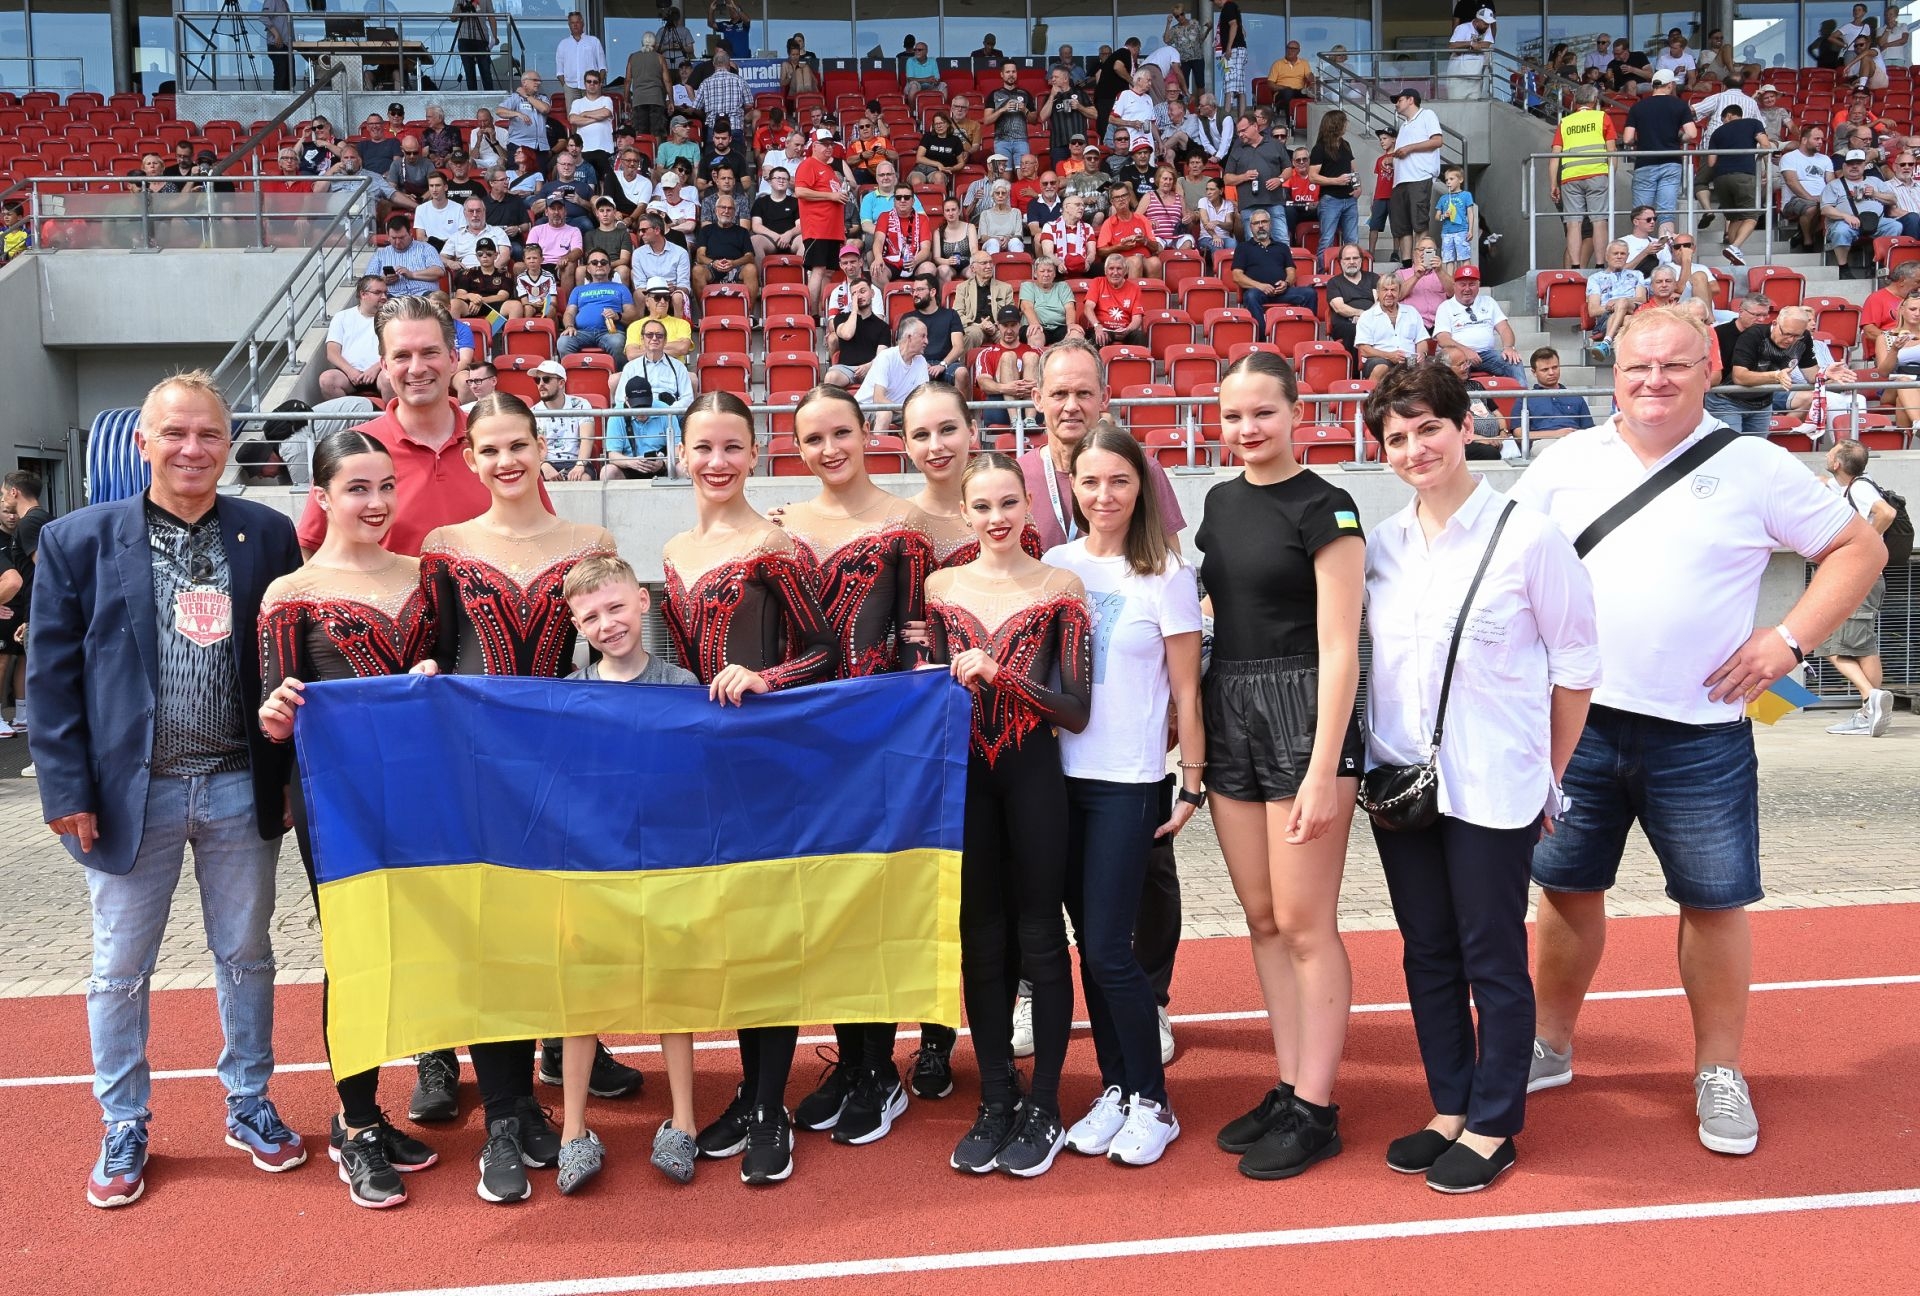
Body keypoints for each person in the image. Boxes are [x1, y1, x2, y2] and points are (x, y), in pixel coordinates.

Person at [1511, 306, 1886, 1160]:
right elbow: (1508, 565)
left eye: (1674, 365)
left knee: (1713, 904)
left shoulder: (1756, 464)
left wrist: (1788, 642)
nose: (1654, 381)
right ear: (1614, 374)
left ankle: (1719, 1069)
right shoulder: (1565, 462)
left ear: (1708, 369)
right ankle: (1549, 1044)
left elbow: (1859, 549)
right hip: (1577, 724)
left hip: (1702, 732)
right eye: (1638, 367)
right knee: (1565, 891)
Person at [30, 372, 304, 1209]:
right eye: (175, 434)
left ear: (230, 444)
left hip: (237, 785)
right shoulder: (76, 540)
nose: (193, 449)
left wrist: (291, 777)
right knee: (119, 968)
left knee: (247, 955)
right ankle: (123, 1121)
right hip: (129, 793)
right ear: (142, 442)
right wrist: (66, 789)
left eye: (209, 434)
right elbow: (51, 679)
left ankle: (249, 1100)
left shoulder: (268, 534)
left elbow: (290, 659)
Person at [1359, 359, 1598, 1194]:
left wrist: (1549, 778)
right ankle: (1450, 1105)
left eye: (1430, 428)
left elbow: (1577, 669)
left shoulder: (1529, 538)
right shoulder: (1380, 548)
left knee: (1491, 954)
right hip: (1403, 782)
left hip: (1496, 783)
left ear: (1467, 427)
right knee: (1426, 951)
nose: (1415, 449)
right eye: (1397, 437)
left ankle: (1495, 1121)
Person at [416, 392, 618, 1201]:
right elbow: (435, 648)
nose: (506, 461)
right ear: (471, 458)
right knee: (492, 938)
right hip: (477, 770)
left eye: (518, 446)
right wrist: (426, 674)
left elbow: (609, 644)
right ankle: (504, 1114)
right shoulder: (446, 546)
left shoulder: (590, 542)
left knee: (558, 934)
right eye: (490, 449)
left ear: (542, 449)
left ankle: (544, 1099)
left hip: (566, 767)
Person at [257, 431, 443, 1210]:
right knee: (358, 950)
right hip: (338, 803)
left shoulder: (426, 578)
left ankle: (411, 1089)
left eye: (385, 486)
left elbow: (459, 675)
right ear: (322, 498)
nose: (375, 502)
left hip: (427, 792)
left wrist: (437, 675)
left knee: (427, 942)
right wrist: (273, 716)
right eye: (357, 488)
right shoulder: (290, 592)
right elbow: (274, 707)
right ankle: (358, 1121)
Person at [1197, 351, 1365, 1180]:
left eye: (1263, 412)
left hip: (1304, 715)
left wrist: (1324, 767)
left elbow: (1342, 648)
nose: (1247, 428)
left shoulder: (1329, 507)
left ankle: (1318, 1109)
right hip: (1231, 707)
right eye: (1233, 415)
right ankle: (1291, 1083)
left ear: (1297, 412)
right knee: (1261, 919)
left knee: (1304, 924)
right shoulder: (1218, 503)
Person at [662, 391, 836, 1185]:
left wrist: (766, 678)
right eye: (703, 447)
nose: (717, 462)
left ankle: (771, 1107)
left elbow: (824, 652)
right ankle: (749, 1090)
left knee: (770, 937)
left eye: (732, 446)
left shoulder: (777, 546)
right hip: (706, 771)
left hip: (772, 764)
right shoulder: (673, 551)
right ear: (681, 454)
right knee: (730, 938)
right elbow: (679, 668)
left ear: (755, 454)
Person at [773, 386, 934, 1146]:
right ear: (797, 448)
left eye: (840, 432)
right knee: (829, 908)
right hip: (807, 742)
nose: (829, 449)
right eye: (813, 439)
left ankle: (881, 1069)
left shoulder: (903, 525)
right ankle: (852, 1059)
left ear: (866, 432)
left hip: (879, 739)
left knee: (874, 905)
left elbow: (915, 636)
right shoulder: (783, 527)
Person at [922, 452, 1090, 1177]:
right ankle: (996, 1095)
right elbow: (931, 691)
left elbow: (1076, 710)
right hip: (966, 785)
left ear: (1027, 506)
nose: (996, 518)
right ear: (964, 513)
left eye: (1008, 504)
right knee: (979, 941)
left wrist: (1000, 673)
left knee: (1041, 939)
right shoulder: (941, 587)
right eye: (982, 506)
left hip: (1033, 780)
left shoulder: (1059, 587)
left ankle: (1045, 1103)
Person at [1042, 424, 1203, 1168]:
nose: (1103, 496)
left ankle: (1153, 1101)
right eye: (1090, 482)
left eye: (1119, 481)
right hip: (1058, 781)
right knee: (1089, 947)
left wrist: (1192, 781)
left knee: (1110, 948)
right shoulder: (1056, 566)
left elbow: (1186, 691)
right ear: (1072, 488)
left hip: (1128, 783)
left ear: (1142, 489)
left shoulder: (1167, 572)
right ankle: (1116, 1087)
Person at [552, 555, 701, 1184]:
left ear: (643, 601)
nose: (607, 624)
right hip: (593, 868)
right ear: (576, 625)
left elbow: (697, 775)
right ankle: (573, 1128)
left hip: (665, 864)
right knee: (583, 994)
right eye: (591, 617)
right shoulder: (569, 692)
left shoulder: (682, 684)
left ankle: (684, 1121)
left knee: (671, 989)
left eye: (616, 607)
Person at [1818, 440, 1901, 737]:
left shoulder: (1860, 489)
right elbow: (1823, 483)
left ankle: (1870, 697)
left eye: (1831, 452)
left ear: (1838, 463)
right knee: (1865, 647)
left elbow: (1886, 513)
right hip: (1865, 578)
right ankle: (1871, 713)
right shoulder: (1847, 487)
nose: (1826, 454)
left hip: (1856, 578)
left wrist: (1866, 544)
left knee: (1828, 643)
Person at [603, 318, 694, 479]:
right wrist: (631, 462)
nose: (654, 339)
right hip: (634, 426)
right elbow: (620, 399)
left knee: (683, 465)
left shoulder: (678, 367)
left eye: (659, 335)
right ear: (642, 339)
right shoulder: (631, 367)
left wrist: (665, 412)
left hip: (669, 413)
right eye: (649, 335)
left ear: (665, 340)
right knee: (607, 471)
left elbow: (688, 399)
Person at [1622, 70, 1697, 236]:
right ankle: (1666, 247)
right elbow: (1692, 133)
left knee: (1642, 213)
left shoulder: (1638, 107)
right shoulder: (1679, 105)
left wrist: (1638, 142)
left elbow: (1627, 138)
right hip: (1671, 162)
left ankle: (1641, 249)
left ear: (1653, 85)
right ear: (1670, 85)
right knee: (1666, 213)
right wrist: (1680, 138)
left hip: (1645, 163)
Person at [1705, 106, 1772, 267]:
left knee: (1733, 218)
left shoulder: (1717, 132)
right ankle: (1734, 247)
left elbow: (1711, 162)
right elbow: (1766, 145)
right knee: (1751, 216)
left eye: (1722, 120)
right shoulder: (1753, 123)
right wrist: (1760, 161)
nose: (1723, 123)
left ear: (1728, 115)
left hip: (1720, 178)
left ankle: (1734, 257)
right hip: (1744, 175)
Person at [1433, 267, 1526, 381]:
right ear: (1454, 285)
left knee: (1513, 360)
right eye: (1463, 284)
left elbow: (1504, 329)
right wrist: (1466, 351)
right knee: (1447, 367)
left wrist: (1509, 348)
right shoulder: (1445, 307)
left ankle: (1522, 393)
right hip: (1458, 355)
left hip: (1486, 355)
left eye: (1472, 284)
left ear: (1478, 285)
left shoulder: (1489, 302)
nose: (1467, 289)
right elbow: (1443, 339)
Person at [1388, 90, 1446, 264]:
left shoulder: (1427, 115)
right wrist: (1391, 159)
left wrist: (1409, 148)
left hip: (1419, 177)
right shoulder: (1404, 125)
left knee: (1419, 224)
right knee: (1402, 226)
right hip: (1400, 181)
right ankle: (1407, 265)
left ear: (1410, 100)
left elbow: (1437, 141)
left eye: (1399, 100)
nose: (1396, 104)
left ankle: (1424, 264)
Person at [795, 130, 850, 315]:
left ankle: (824, 312)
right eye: (824, 144)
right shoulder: (808, 164)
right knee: (818, 269)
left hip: (832, 230)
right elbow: (800, 191)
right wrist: (831, 196)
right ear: (814, 145)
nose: (829, 147)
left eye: (831, 144)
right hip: (817, 227)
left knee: (828, 272)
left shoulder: (829, 169)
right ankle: (812, 314)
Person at [322, 277, 395, 402]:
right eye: (378, 292)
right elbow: (332, 353)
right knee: (327, 379)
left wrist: (377, 367)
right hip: (348, 374)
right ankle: (347, 415)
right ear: (363, 294)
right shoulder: (342, 317)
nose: (384, 297)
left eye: (385, 293)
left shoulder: (392, 318)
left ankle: (389, 414)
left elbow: (397, 350)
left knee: (389, 378)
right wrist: (350, 371)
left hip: (380, 371)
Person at [856, 317, 932, 434]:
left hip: (898, 410)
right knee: (885, 413)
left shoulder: (921, 361)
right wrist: (908, 410)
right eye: (923, 336)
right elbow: (878, 399)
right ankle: (880, 446)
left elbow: (923, 397)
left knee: (926, 417)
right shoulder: (886, 357)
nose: (927, 341)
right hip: (866, 408)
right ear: (909, 337)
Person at [559, 250, 635, 363]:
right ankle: (573, 372)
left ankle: (619, 373)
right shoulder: (578, 290)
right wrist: (569, 326)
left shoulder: (621, 288)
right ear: (588, 269)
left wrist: (618, 316)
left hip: (610, 333)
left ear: (609, 267)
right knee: (563, 342)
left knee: (617, 342)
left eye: (603, 262)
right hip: (581, 333)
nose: (599, 265)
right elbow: (569, 312)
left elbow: (632, 315)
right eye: (594, 262)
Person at [1355, 273, 1431, 380]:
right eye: (1385, 290)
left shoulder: (1411, 312)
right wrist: (1389, 355)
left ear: (1399, 293)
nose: (1389, 294)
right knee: (1381, 367)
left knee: (1434, 368)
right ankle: (1373, 392)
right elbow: (1364, 350)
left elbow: (1421, 340)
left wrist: (1421, 354)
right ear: (1378, 293)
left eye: (1393, 290)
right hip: (1380, 358)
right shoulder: (1367, 316)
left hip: (1409, 360)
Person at [1585, 240, 1648, 358]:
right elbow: (1593, 310)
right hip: (1608, 318)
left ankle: (1606, 343)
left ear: (1627, 256)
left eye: (1623, 254)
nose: (1619, 256)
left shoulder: (1637, 275)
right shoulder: (1595, 278)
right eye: (1615, 253)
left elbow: (1641, 299)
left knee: (1623, 302)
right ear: (1607, 256)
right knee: (1627, 319)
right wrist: (1616, 307)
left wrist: (1619, 302)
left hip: (1633, 310)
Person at [1518, 348, 1592, 442]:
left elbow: (1589, 430)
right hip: (1544, 442)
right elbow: (1519, 435)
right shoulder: (1525, 399)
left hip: (1575, 441)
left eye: (1555, 367)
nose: (1551, 373)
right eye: (1545, 370)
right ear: (1534, 372)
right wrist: (1555, 434)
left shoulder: (1575, 397)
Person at [1323, 244, 1378, 357]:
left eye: (1355, 258)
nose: (1352, 262)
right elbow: (1339, 308)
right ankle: (1354, 367)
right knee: (1353, 329)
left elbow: (1380, 302)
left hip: (1374, 319)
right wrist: (1360, 314)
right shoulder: (1334, 282)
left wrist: (1365, 317)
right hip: (1346, 322)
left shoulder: (1373, 278)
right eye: (1347, 259)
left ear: (1361, 260)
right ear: (1340, 262)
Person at [986, 62, 1037, 169]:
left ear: (1017, 74)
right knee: (1004, 175)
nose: (1011, 74)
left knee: (1024, 173)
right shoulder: (994, 94)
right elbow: (987, 121)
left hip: (1021, 140)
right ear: (1002, 74)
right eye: (1008, 72)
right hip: (1001, 141)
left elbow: (1034, 120)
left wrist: (1025, 110)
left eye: (1013, 72)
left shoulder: (1025, 93)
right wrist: (1003, 109)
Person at [1433, 165, 1478, 273]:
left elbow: (1470, 213)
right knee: (1449, 259)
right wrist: (1444, 215)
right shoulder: (1443, 198)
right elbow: (1437, 217)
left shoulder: (1466, 195)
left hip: (1461, 231)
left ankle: (1466, 277)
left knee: (1464, 257)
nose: (1448, 182)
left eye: (1451, 179)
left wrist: (1470, 230)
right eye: (1446, 180)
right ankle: (1450, 280)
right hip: (1447, 233)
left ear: (1460, 180)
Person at [554, 10, 607, 92]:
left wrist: (598, 84)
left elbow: (602, 67)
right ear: (569, 25)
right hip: (570, 87)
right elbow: (559, 71)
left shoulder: (594, 41)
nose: (575, 25)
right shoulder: (563, 44)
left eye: (577, 22)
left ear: (582, 23)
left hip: (591, 85)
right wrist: (565, 86)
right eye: (572, 23)